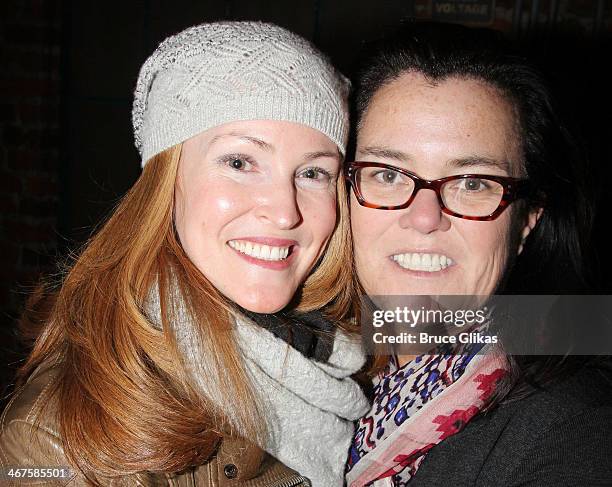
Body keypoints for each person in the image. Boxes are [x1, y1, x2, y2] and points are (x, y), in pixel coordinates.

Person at [0, 21, 369, 486]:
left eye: (313, 173)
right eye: (239, 162)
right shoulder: (53, 439)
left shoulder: (347, 357)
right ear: (167, 181)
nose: (283, 212)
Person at [345, 22, 612, 486]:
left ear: (527, 221)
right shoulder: (309, 374)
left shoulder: (574, 434)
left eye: (473, 183)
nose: (425, 217)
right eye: (387, 174)